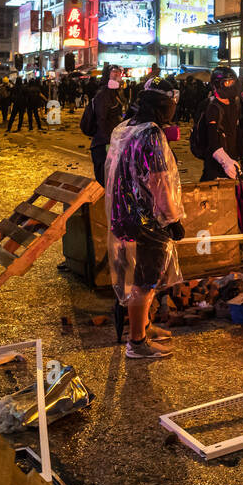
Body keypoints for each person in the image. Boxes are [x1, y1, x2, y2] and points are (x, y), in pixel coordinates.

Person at [105, 77, 184, 360]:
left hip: (124, 213)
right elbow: (159, 181)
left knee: (139, 276)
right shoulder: (150, 134)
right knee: (146, 280)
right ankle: (137, 342)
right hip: (147, 218)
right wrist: (172, 219)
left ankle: (144, 326)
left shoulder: (127, 127)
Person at [200, 66, 242, 182]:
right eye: (228, 82)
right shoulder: (213, 107)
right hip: (215, 162)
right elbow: (212, 140)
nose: (232, 85)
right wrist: (225, 161)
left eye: (233, 82)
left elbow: (236, 130)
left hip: (232, 158)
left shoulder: (235, 104)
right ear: (217, 84)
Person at [86, 65, 127, 183]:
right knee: (107, 179)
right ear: (107, 75)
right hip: (104, 143)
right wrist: (109, 141)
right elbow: (101, 119)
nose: (117, 74)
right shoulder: (103, 94)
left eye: (119, 72)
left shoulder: (115, 94)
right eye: (114, 72)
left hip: (112, 141)